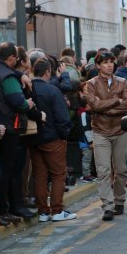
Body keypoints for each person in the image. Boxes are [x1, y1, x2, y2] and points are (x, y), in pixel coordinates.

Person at [0, 42, 36, 222]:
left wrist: (19, 73)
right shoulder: (7, 76)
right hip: (11, 127)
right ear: (12, 58)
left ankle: (2, 209)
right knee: (12, 170)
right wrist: (27, 104)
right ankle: (12, 208)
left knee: (2, 170)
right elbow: (17, 101)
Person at [84, 52, 127, 221]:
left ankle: (119, 201)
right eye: (105, 63)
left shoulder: (122, 82)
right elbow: (94, 105)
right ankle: (108, 206)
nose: (110, 65)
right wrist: (116, 101)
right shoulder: (91, 84)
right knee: (103, 170)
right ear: (98, 65)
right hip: (100, 131)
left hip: (120, 130)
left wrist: (105, 108)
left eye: (111, 62)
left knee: (121, 170)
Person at [27, 59, 76, 222]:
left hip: (33, 138)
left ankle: (43, 211)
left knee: (39, 175)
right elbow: (62, 117)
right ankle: (57, 210)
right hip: (53, 138)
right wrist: (64, 135)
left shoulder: (27, 89)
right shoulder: (52, 90)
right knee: (57, 175)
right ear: (48, 72)